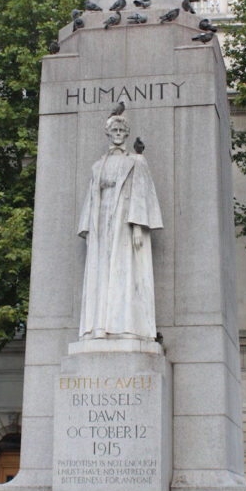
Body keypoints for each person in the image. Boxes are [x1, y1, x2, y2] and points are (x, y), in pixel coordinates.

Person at [78, 110, 163, 340]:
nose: (117, 134)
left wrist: (137, 226)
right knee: (102, 273)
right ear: (108, 133)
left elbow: (140, 194)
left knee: (124, 273)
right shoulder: (98, 165)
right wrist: (87, 228)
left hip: (124, 220)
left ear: (126, 134)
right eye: (114, 130)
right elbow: (92, 196)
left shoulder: (135, 162)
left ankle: (126, 327)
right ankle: (98, 327)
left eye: (121, 131)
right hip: (101, 221)